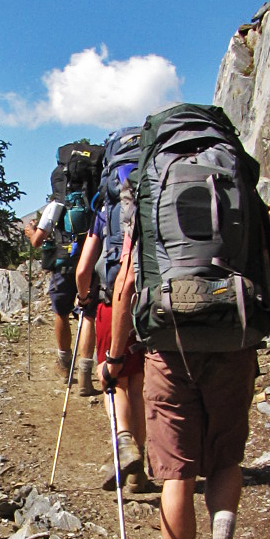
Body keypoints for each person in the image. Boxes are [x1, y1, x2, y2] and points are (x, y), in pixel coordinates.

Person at [106, 188, 270, 539]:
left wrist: (113, 356)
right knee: (225, 460)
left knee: (177, 474)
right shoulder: (238, 197)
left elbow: (127, 285)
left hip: (169, 349)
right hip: (232, 342)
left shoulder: (150, 202)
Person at [74, 164, 149, 492]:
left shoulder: (105, 211)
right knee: (137, 384)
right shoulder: (151, 201)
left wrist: (84, 297)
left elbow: (82, 270)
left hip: (111, 302)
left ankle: (123, 441)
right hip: (147, 302)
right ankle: (139, 471)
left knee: (113, 378)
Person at [21, 194, 79, 380]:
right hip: (91, 261)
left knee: (62, 312)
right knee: (89, 313)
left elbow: (38, 240)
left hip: (64, 265)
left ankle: (65, 363)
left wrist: (30, 231)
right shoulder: (95, 197)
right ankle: (87, 365)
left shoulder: (57, 205)